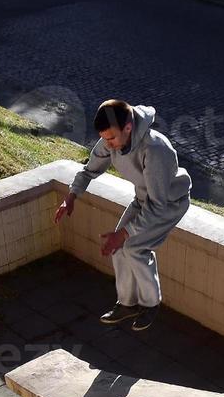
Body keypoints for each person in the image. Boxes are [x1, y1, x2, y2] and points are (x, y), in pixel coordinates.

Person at [53, 100, 192, 331]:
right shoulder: (111, 138)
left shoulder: (155, 150)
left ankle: (150, 304)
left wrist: (125, 233)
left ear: (128, 127)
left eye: (111, 139)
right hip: (143, 199)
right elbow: (89, 170)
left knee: (134, 248)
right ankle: (127, 304)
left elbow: (157, 206)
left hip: (169, 203)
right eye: (104, 138)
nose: (108, 145)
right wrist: (71, 196)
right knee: (117, 246)